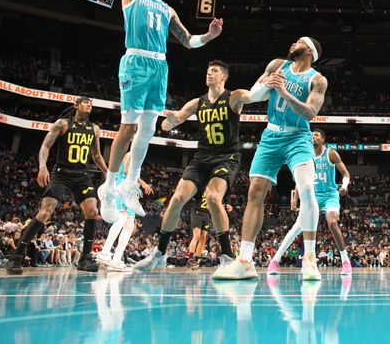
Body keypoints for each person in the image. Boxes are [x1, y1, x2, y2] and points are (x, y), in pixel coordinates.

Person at [82, 0, 223, 221]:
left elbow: (188, 41)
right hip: (136, 61)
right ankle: (110, 183)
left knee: (147, 130)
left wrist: (211, 36)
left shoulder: (168, 8)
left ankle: (130, 185)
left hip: (160, 65)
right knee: (128, 127)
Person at [217, 37, 328, 280]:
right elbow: (257, 95)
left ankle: (309, 259)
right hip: (271, 135)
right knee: (255, 192)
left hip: (298, 137)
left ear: (309, 51)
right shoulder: (277, 65)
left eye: (298, 42)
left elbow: (309, 112)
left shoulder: (317, 79)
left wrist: (283, 90)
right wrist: (256, 88)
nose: (292, 44)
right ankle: (245, 260)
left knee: (307, 188)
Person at [134, 60, 253, 277]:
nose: (209, 73)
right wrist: (171, 121)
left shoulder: (233, 97)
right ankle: (159, 254)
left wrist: (267, 84)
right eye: (208, 70)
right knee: (178, 198)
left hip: (226, 157)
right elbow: (166, 125)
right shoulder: (198, 102)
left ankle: (227, 257)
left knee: (214, 198)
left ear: (224, 77)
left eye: (214, 71)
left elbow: (252, 95)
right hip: (201, 158)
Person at [6, 97, 108, 274]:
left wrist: (108, 173)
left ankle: (85, 258)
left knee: (92, 212)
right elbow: (46, 146)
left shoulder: (95, 129)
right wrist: (42, 166)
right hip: (61, 173)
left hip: (82, 175)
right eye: (85, 103)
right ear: (76, 106)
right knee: (45, 212)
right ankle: (16, 256)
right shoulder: (62, 124)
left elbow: (96, 155)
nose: (89, 105)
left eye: (91, 104)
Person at [267, 128, 352, 276]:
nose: (313, 136)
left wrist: (344, 186)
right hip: (312, 196)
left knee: (332, 222)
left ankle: (345, 261)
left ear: (323, 139)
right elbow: (301, 179)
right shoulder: (306, 156)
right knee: (298, 227)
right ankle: (275, 261)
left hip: (330, 195)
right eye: (311, 134)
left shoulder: (331, 153)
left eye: (317, 135)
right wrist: (295, 198)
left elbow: (345, 173)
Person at [97, 152, 153, 272]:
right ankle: (105, 252)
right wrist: (143, 183)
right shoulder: (130, 154)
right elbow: (127, 171)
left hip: (130, 192)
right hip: (122, 189)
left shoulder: (138, 155)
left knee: (129, 226)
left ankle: (116, 259)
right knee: (121, 219)